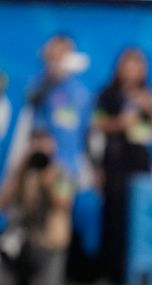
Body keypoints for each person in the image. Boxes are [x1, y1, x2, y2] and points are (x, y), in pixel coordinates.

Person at [94, 47, 152, 285]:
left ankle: (136, 276)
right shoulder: (108, 94)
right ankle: (109, 274)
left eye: (138, 65)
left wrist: (151, 107)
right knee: (114, 219)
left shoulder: (148, 95)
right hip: (115, 164)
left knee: (139, 220)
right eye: (128, 64)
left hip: (141, 165)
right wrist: (121, 123)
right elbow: (97, 123)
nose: (132, 70)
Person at [0, 129, 74, 285]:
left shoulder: (62, 173)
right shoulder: (22, 171)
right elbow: (3, 202)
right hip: (22, 237)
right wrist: (20, 172)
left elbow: (64, 205)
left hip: (49, 240)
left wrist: (48, 183)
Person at [27, 34, 91, 186]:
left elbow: (86, 132)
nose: (56, 60)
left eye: (61, 55)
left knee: (61, 205)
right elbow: (31, 105)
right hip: (39, 159)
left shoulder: (81, 92)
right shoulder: (38, 85)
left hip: (68, 164)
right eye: (52, 56)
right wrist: (49, 78)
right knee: (33, 201)